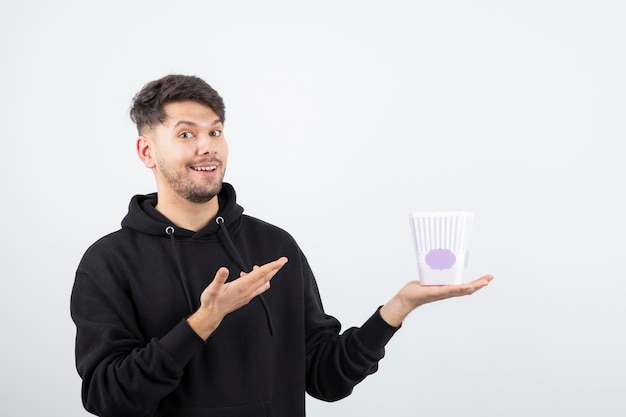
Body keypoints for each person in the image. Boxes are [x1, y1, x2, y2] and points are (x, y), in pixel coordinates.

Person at [70, 74, 493, 417]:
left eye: (215, 131)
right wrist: (204, 320)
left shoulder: (273, 245)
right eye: (186, 134)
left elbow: (325, 378)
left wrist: (396, 309)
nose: (207, 146)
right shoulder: (109, 263)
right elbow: (108, 398)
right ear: (147, 151)